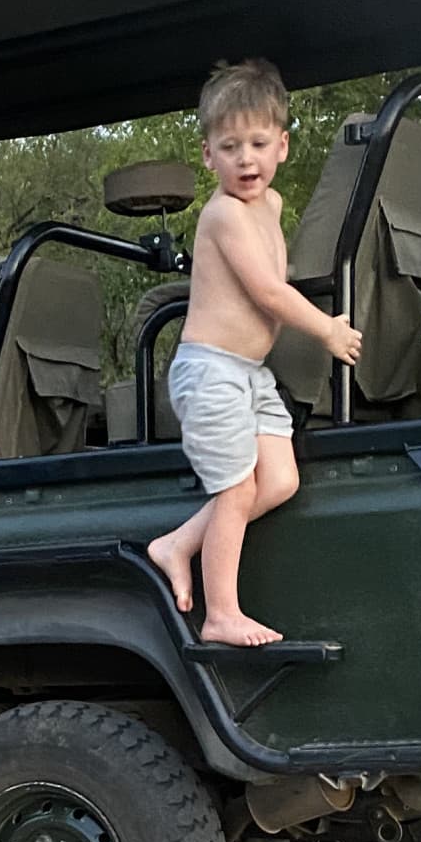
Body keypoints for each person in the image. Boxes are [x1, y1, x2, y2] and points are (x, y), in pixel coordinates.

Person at [148, 60, 363, 646]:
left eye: (259, 144)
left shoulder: (268, 208)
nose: (246, 159)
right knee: (237, 488)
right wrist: (327, 330)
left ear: (283, 147)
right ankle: (221, 613)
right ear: (208, 156)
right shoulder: (223, 215)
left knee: (281, 480)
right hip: (210, 371)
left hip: (249, 373)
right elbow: (268, 292)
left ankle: (178, 543)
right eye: (230, 146)